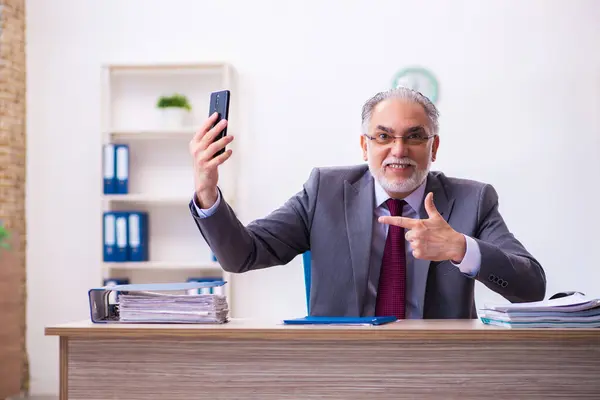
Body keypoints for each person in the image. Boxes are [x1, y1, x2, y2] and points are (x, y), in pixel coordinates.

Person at [187, 87, 546, 319]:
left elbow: (531, 288)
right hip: (342, 371)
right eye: (384, 136)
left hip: (439, 371)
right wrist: (206, 190)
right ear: (365, 146)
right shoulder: (324, 191)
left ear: (433, 148)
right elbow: (242, 255)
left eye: (415, 137)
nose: (399, 150)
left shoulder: (473, 199)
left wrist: (461, 248)